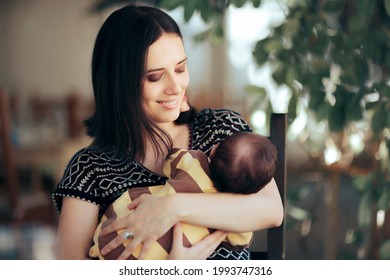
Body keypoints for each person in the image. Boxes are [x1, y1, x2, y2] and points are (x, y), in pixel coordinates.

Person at [51, 4, 283, 260]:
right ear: (120, 84)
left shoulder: (220, 129)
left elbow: (270, 209)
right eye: (155, 76)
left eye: (181, 69)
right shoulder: (90, 168)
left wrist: (172, 207)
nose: (176, 86)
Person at [89, 132, 277, 260]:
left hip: (108, 234)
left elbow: (170, 161)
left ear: (214, 149)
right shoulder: (238, 223)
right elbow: (242, 240)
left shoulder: (193, 161)